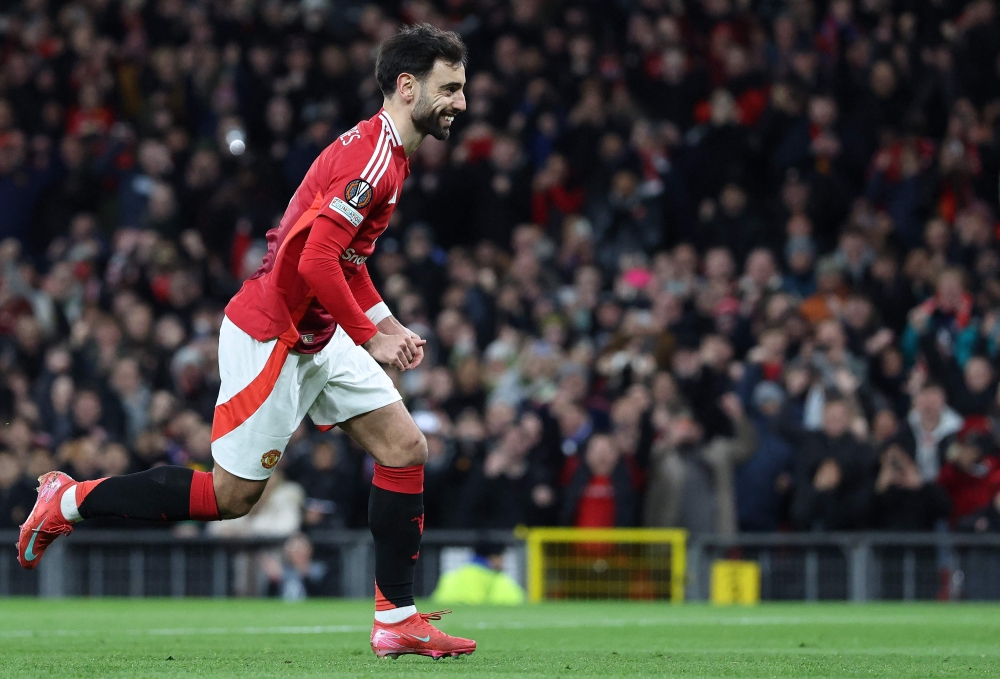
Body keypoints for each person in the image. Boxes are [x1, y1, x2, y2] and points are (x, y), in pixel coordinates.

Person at [16, 24, 475, 660]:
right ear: (406, 86)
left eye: (461, 88)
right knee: (229, 499)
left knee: (405, 447)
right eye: (448, 88)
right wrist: (370, 335)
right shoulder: (372, 160)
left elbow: (345, 258)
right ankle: (68, 500)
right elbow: (316, 260)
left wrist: (386, 322)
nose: (460, 102)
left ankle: (396, 619)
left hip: (318, 333)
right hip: (274, 336)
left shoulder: (388, 154)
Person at [431, 542, 526, 605]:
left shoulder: (453, 575)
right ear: (494, 557)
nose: (503, 562)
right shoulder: (495, 578)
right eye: (501, 558)